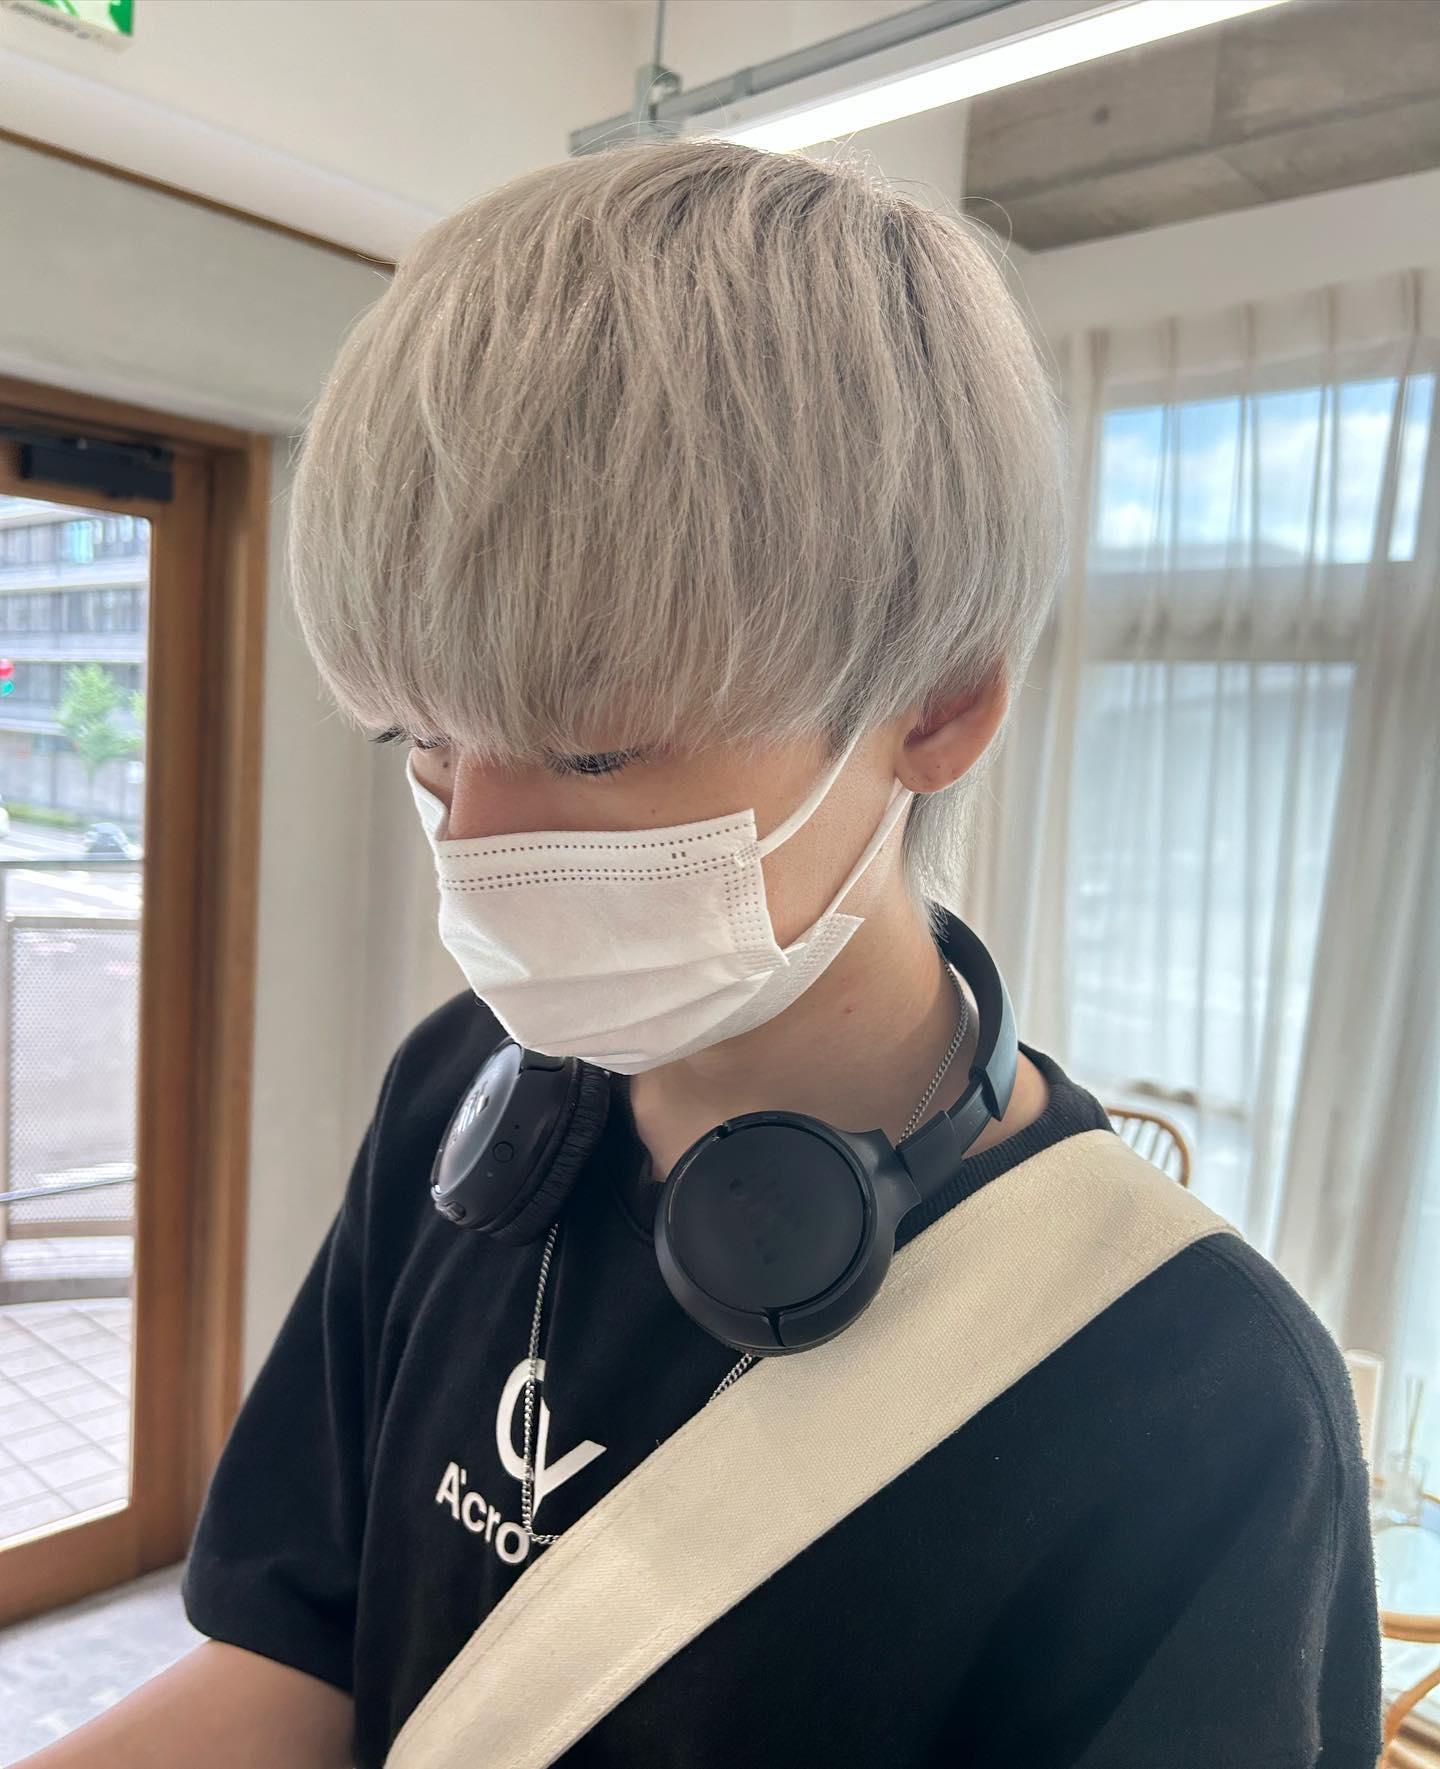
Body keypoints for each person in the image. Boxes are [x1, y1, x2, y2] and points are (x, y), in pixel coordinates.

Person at [20, 136, 1380, 1769]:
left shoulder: (1206, 1410)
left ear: (938, 704)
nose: (476, 835)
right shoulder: (465, 1094)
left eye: (592, 751)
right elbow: (299, 1667)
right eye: (426, 739)